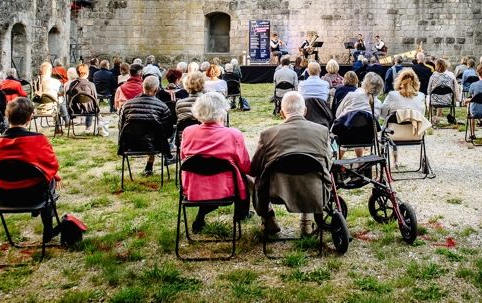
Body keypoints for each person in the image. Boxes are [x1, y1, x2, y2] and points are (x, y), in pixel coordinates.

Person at [250, 91, 331, 236]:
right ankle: (306, 222)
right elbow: (328, 164)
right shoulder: (323, 132)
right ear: (305, 111)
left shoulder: (267, 134)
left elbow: (255, 168)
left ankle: (268, 218)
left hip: (277, 191)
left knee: (255, 179)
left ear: (281, 113)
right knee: (310, 173)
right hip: (314, 189)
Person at [0, 97, 62, 242]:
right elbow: (52, 165)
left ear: (6, 115)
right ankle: (48, 229)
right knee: (50, 181)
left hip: (5, 195)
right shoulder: (38, 139)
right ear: (30, 117)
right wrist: (56, 176)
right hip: (34, 194)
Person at [180, 93, 251, 232]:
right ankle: (241, 214)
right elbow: (245, 165)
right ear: (222, 111)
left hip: (194, 188)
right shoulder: (233, 134)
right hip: (225, 189)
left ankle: (201, 217)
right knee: (243, 176)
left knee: (207, 177)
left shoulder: (188, 132)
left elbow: (183, 156)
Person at [120, 76, 175, 176]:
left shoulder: (127, 105)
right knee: (156, 133)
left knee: (153, 132)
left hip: (130, 144)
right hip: (154, 145)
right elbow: (168, 132)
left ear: (142, 87)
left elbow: (121, 126)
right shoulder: (162, 107)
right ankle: (163, 159)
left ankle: (149, 165)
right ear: (157, 89)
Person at [65, 63, 106, 135]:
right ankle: (88, 127)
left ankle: (90, 126)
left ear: (77, 73)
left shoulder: (73, 84)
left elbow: (69, 97)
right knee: (91, 104)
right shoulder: (91, 84)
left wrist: (69, 108)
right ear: (88, 73)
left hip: (75, 109)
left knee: (89, 104)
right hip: (89, 110)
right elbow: (95, 98)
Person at [426, 58, 460, 123]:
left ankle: (433, 117)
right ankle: (437, 117)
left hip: (434, 101)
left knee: (428, 97)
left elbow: (428, 91)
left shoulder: (433, 76)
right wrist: (457, 99)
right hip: (448, 100)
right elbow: (455, 89)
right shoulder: (450, 76)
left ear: (436, 66)